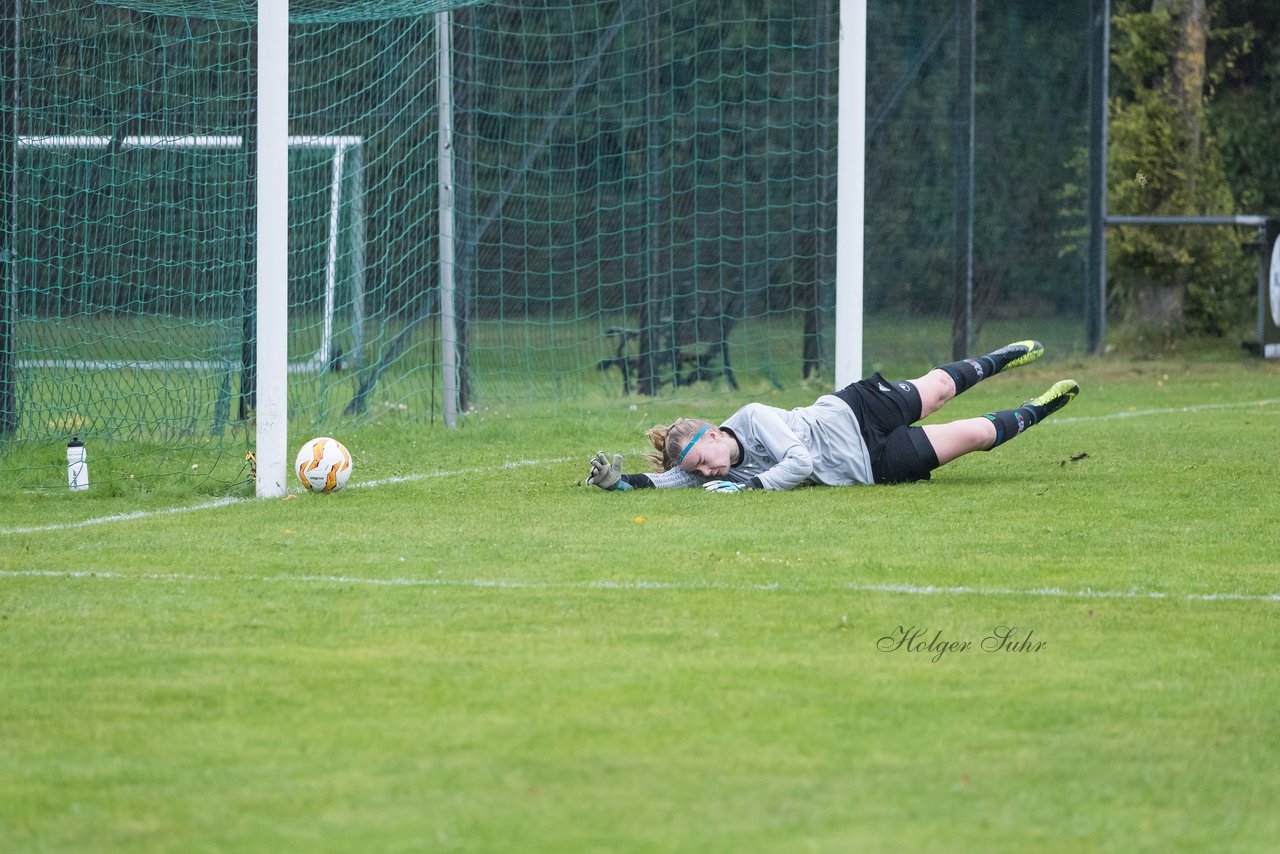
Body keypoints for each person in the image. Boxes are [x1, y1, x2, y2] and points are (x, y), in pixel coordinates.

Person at [584, 340, 1078, 493]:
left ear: (714, 432)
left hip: (856, 408)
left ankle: (1000, 357)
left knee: (941, 388)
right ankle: (1038, 409)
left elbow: (796, 461)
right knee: (972, 435)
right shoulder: (716, 473)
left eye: (706, 462)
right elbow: (674, 482)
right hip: (873, 463)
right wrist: (619, 483)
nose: (712, 474)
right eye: (703, 474)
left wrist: (754, 488)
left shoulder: (754, 416)